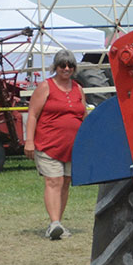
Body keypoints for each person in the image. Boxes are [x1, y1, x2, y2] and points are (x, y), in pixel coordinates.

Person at [23, 50, 86, 240]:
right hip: (48, 144)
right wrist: (29, 141)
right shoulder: (45, 87)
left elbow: (83, 115)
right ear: (55, 67)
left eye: (70, 66)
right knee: (54, 181)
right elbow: (32, 114)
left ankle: (58, 222)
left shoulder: (78, 88)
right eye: (62, 66)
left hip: (71, 147)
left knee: (65, 183)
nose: (66, 69)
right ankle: (54, 223)